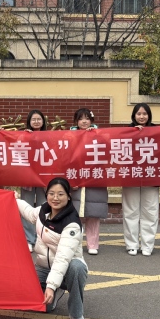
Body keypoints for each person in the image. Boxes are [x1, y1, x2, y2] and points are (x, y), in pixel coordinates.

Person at [17, 177, 88, 319]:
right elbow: (28, 212)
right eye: (51, 193)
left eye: (60, 194)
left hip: (66, 269)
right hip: (44, 267)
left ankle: (76, 314)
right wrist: (13, 199)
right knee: (43, 307)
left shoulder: (72, 224)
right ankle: (56, 291)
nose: (55, 198)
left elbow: (62, 258)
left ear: (68, 196)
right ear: (47, 195)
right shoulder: (43, 210)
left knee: (77, 268)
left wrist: (50, 286)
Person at [121, 103, 159, 257]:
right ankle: (131, 244)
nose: (142, 117)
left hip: (151, 177)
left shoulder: (158, 131)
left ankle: (147, 245)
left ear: (149, 115)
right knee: (130, 212)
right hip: (131, 177)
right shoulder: (126, 131)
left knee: (150, 212)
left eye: (144, 114)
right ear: (134, 115)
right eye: (139, 114)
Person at [69, 108, 108, 255]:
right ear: (76, 121)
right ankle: (74, 244)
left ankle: (92, 244)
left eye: (87, 118)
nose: (84, 122)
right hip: (76, 177)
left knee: (93, 214)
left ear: (91, 120)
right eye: (80, 119)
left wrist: (96, 135)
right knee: (74, 216)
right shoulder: (69, 136)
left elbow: (108, 151)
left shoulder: (100, 135)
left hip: (94, 178)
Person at [20, 110, 47, 244]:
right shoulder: (24, 135)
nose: (36, 122)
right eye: (33, 119)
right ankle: (29, 239)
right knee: (27, 209)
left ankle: (42, 238)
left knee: (44, 208)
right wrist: (24, 136)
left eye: (39, 119)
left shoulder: (50, 136)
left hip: (44, 178)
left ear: (43, 121)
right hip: (28, 178)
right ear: (29, 122)